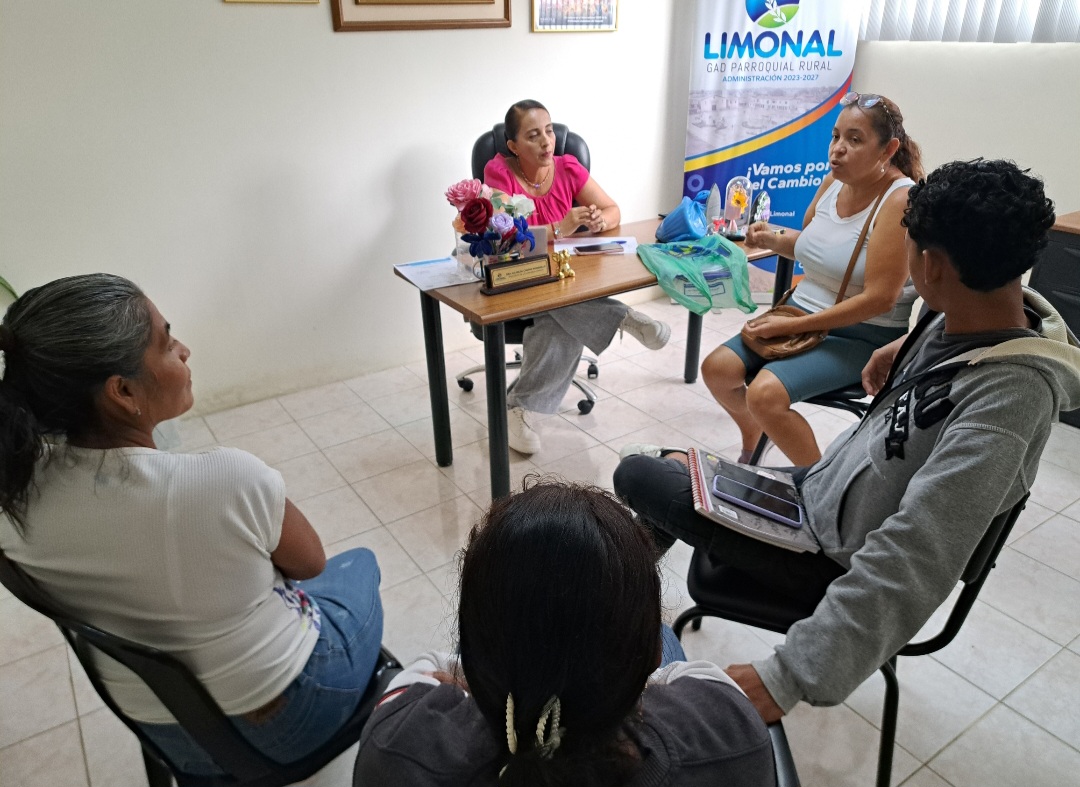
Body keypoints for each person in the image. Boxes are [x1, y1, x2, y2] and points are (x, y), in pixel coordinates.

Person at [614, 159, 1080, 722]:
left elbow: (917, 554)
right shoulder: (972, 313)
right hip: (820, 493)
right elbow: (948, 347)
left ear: (931, 265)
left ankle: (609, 613)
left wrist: (787, 676)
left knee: (636, 473)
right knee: (671, 464)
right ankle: (614, 606)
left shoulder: (1009, 401)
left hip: (827, 554)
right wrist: (903, 345)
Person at [0, 274, 384, 775]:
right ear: (122, 391)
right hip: (287, 719)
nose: (184, 350)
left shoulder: (12, 497)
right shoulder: (223, 479)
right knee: (358, 565)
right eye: (166, 343)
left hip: (164, 731)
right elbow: (310, 564)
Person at [354, 480, 776, 786]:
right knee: (667, 633)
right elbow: (680, 673)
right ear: (650, 658)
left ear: (475, 656)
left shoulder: (397, 744)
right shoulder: (728, 726)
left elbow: (431, 667)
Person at [702, 92, 924, 466]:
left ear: (888, 150)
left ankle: (817, 485)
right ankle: (756, 431)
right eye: (836, 136)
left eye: (855, 140)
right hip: (799, 313)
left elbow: (880, 299)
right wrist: (770, 237)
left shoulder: (899, 199)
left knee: (764, 394)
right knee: (717, 369)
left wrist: (796, 325)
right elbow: (811, 246)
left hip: (862, 333)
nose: (838, 149)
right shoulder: (833, 182)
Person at [483, 99, 671, 455]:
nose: (546, 141)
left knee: (559, 320)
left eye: (549, 131)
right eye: (533, 135)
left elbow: (613, 210)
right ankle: (621, 317)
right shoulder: (499, 173)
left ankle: (522, 410)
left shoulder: (568, 167)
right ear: (513, 146)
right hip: (521, 277)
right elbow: (507, 237)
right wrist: (559, 227)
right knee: (561, 310)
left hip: (570, 277)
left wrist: (600, 220)